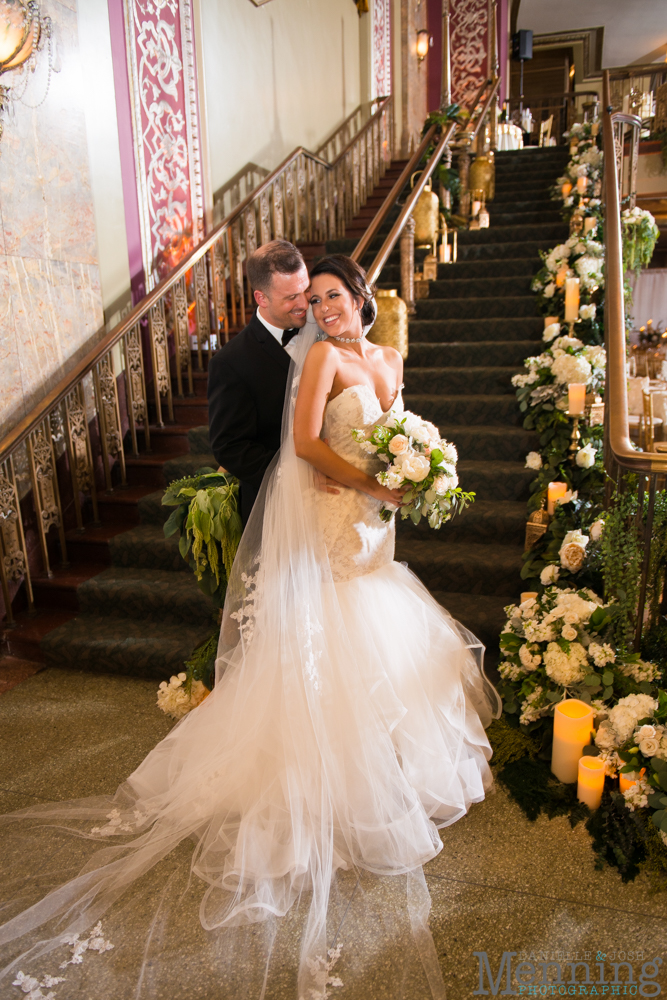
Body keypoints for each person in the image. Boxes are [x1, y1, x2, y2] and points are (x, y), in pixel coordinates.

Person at [0, 255, 500, 1000]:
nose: (324, 308)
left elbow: (401, 430)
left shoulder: (390, 356)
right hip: (333, 515)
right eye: (312, 298)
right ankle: (325, 783)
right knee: (335, 634)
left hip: (374, 522)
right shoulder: (322, 356)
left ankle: (387, 772)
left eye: (333, 295)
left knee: (384, 628)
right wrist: (365, 479)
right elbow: (301, 444)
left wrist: (418, 474)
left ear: (361, 296)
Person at [207, 239, 310, 524]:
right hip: (276, 507)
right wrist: (297, 476)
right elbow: (229, 446)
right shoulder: (231, 362)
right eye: (290, 297)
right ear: (261, 298)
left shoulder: (325, 327)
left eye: (305, 290)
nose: (303, 304)